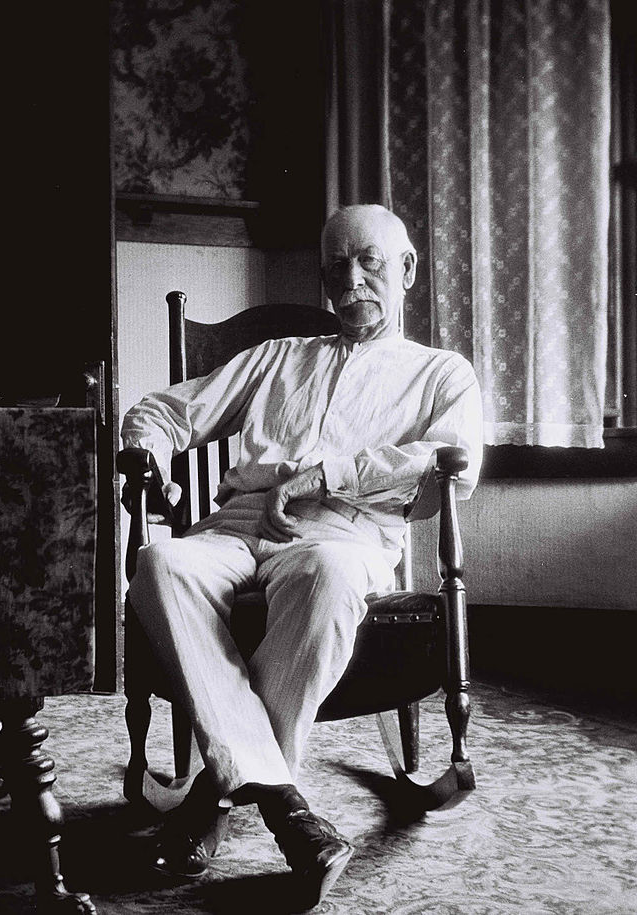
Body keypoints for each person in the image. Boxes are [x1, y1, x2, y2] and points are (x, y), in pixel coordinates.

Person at [121, 204, 483, 908]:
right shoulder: (276, 358)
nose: (350, 281)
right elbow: (163, 409)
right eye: (335, 266)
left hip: (343, 532)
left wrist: (330, 475)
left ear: (405, 268)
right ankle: (285, 804)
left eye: (369, 262)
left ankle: (213, 796)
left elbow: (448, 463)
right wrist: (151, 454)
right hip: (238, 523)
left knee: (329, 574)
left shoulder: (441, 374)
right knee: (161, 564)